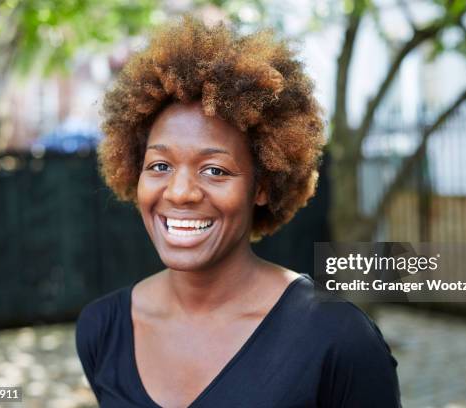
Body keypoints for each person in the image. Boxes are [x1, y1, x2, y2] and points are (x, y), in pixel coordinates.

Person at [75, 15, 401, 408]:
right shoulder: (102, 331)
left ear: (261, 186)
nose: (180, 193)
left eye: (215, 170)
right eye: (160, 166)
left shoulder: (338, 340)